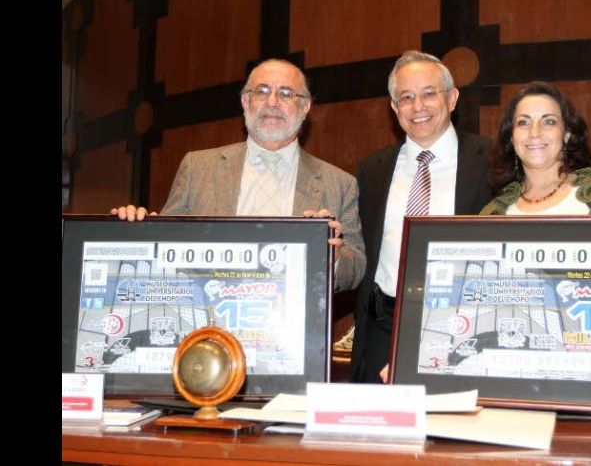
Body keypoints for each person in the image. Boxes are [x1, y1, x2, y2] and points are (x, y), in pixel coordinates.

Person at [111, 59, 365, 292]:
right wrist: (137, 231)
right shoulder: (197, 167)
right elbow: (165, 249)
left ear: (305, 107)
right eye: (262, 91)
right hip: (207, 320)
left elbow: (356, 269)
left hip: (293, 327)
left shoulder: (340, 184)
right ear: (245, 101)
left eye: (286, 93)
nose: (272, 102)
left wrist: (334, 257)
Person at [350, 50, 495, 383]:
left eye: (429, 93)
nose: (418, 107)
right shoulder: (372, 169)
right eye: (406, 97)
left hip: (462, 324)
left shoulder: (492, 161)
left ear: (452, 98)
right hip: (383, 326)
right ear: (393, 107)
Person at [480, 81, 591, 215]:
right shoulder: (492, 213)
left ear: (567, 134)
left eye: (549, 121)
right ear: (511, 137)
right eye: (523, 122)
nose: (534, 133)